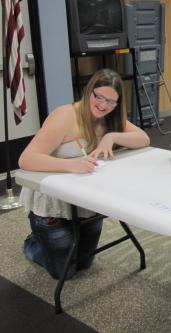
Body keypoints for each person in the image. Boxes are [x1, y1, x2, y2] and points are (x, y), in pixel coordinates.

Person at [18, 68, 150, 280]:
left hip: (84, 200)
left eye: (111, 101)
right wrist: (71, 165)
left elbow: (144, 139)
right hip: (54, 204)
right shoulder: (65, 115)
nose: (103, 105)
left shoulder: (109, 117)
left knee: (85, 262)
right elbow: (26, 159)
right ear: (90, 92)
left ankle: (53, 241)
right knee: (65, 272)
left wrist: (111, 137)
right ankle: (33, 242)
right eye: (99, 97)